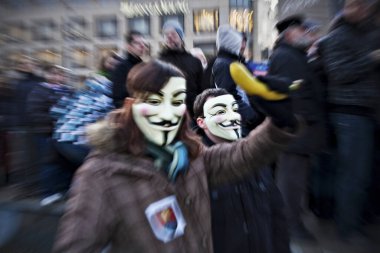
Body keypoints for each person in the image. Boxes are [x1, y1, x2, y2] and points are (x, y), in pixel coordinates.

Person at [53, 59, 300, 253]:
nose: (167, 113)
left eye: (176, 100)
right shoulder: (102, 174)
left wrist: (278, 123)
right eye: (154, 100)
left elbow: (242, 155)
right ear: (130, 105)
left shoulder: (192, 156)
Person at [193, 88, 290, 253]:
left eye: (235, 109)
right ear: (201, 122)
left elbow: (276, 212)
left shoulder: (254, 157)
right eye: (220, 111)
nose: (233, 116)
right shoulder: (195, 167)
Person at [318, 0, 380, 240]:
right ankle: (347, 227)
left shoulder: (367, 33)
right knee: (353, 174)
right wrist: (371, 59)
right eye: (355, 4)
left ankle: (358, 218)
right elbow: (339, 73)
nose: (362, 8)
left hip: (366, 113)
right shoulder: (336, 38)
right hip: (349, 115)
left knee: (363, 173)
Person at [268, 14, 325, 241]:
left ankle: (292, 223)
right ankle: (290, 227)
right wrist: (306, 120)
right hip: (296, 132)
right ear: (290, 33)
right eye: (302, 30)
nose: (306, 34)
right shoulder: (286, 56)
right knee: (291, 183)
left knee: (295, 181)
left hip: (298, 132)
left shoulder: (293, 55)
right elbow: (292, 96)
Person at [26, 64, 74, 202]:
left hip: (65, 133)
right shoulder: (39, 91)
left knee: (66, 161)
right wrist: (54, 120)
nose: (58, 77)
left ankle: (64, 189)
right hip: (46, 133)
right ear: (46, 75)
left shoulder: (68, 90)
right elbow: (34, 113)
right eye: (54, 74)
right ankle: (48, 193)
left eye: (60, 74)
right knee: (49, 162)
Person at [212, 25, 258, 135]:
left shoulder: (235, 62)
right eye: (239, 41)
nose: (242, 45)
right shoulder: (224, 64)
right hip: (240, 122)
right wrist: (252, 115)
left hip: (244, 120)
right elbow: (228, 95)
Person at [158, 20, 203, 118]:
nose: (169, 37)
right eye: (166, 35)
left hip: (192, 113)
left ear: (181, 37)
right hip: (169, 113)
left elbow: (202, 88)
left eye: (173, 34)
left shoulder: (194, 61)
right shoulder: (159, 62)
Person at [110, 30, 147, 108]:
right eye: (137, 43)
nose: (142, 46)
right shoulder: (121, 68)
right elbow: (118, 99)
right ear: (128, 46)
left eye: (143, 43)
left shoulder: (144, 66)